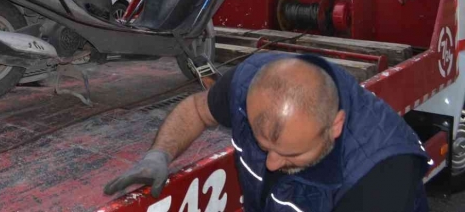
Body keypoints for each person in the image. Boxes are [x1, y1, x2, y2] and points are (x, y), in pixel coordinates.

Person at [105, 54, 429, 212]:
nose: (271, 164)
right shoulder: (248, 84)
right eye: (264, 148)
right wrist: (159, 154)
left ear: (335, 126)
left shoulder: (380, 177)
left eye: (291, 154)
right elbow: (196, 110)